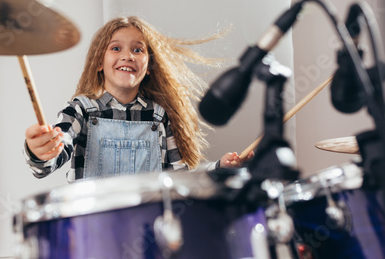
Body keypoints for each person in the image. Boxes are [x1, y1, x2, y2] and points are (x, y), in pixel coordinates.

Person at [24, 16, 253, 182]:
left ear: (149, 66)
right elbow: (48, 162)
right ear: (98, 63)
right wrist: (40, 151)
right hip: (94, 233)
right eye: (115, 48)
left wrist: (220, 168)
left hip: (148, 230)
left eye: (137, 50)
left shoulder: (158, 115)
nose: (127, 56)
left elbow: (180, 180)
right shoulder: (81, 109)